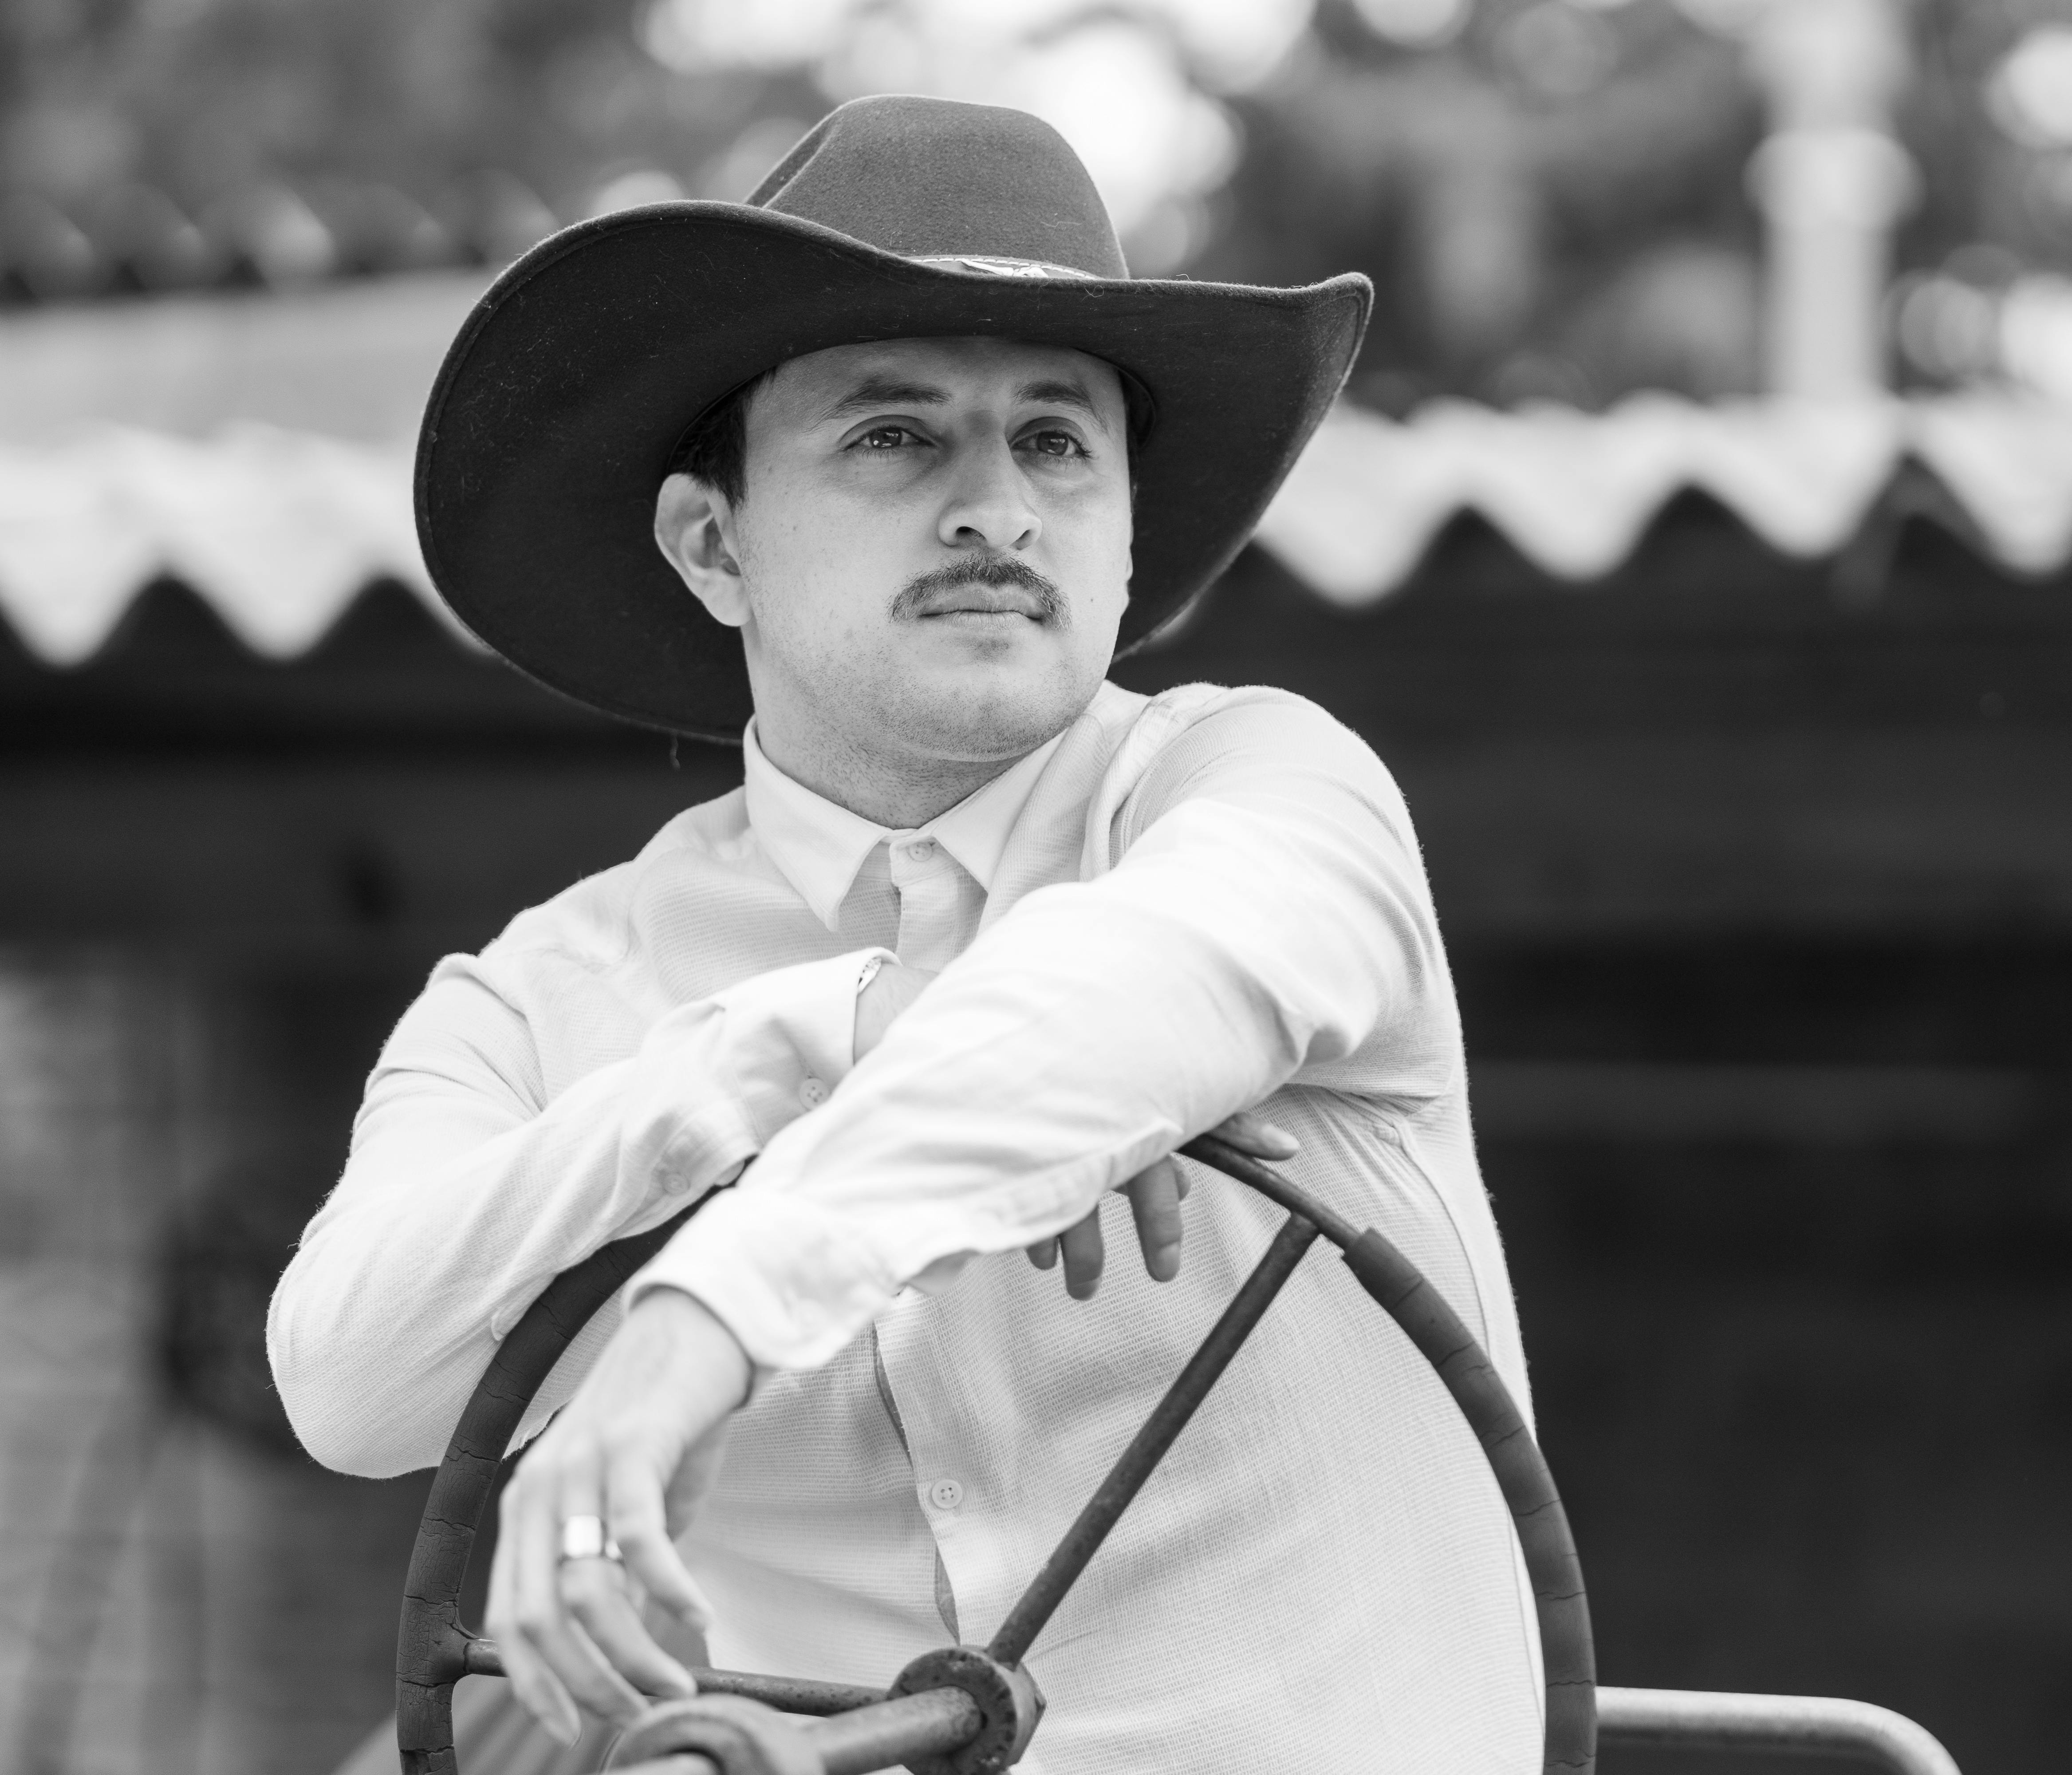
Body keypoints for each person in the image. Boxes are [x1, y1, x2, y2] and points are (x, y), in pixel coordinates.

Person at [267, 95, 1542, 1774]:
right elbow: (351, 1380)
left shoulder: (1262, 798)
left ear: (1126, 530)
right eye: (894, 436)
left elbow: (1137, 997)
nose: (997, 510)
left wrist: (700, 1318)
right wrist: (809, 1037)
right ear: (712, 543)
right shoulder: (533, 1002)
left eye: (1058, 444)